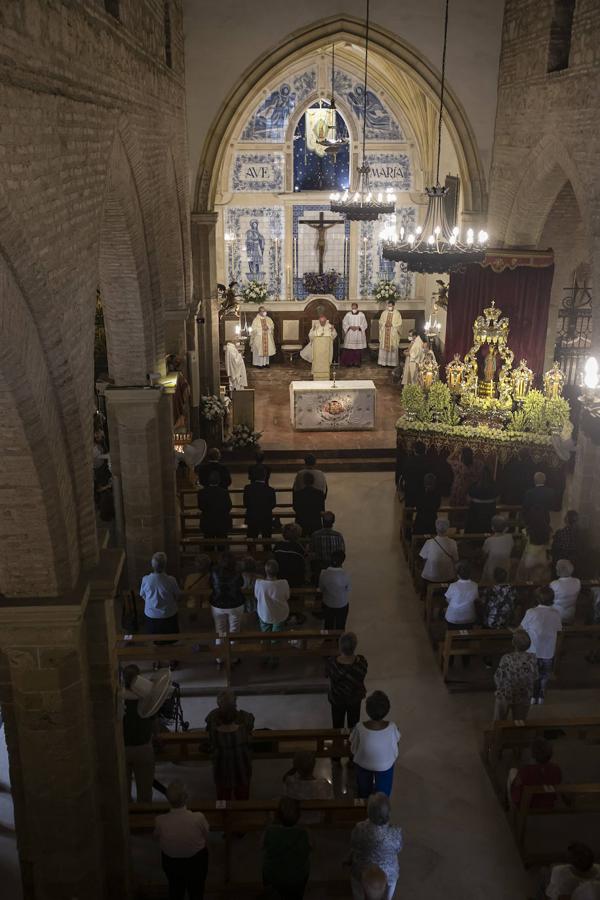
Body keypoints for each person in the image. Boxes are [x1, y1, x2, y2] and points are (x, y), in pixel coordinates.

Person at [154, 780, 209, 900]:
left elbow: (156, 836)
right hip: (196, 862)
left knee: (175, 890)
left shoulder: (160, 820)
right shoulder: (198, 818)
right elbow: (206, 834)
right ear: (186, 797)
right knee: (196, 892)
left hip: (171, 863)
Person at [349, 793, 403, 900]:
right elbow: (398, 848)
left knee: (356, 879)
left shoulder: (360, 829)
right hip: (389, 874)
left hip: (362, 871)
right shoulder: (396, 833)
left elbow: (353, 844)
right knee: (392, 881)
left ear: (368, 812)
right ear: (388, 813)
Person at [350, 691, 400, 798]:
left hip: (363, 764)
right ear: (387, 710)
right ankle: (381, 805)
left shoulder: (359, 727)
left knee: (363, 789)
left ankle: (364, 802)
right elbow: (396, 744)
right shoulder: (392, 727)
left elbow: (353, 748)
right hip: (385, 766)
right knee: (384, 791)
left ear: (367, 710)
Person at [262, 797, 311, 900]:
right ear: (298, 815)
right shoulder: (303, 833)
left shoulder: (270, 831)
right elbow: (311, 848)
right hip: (297, 878)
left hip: (272, 876)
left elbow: (262, 846)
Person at [520, 586, 563, 704]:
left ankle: (533, 696)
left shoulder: (531, 612)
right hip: (548, 651)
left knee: (533, 674)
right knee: (545, 675)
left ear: (537, 599)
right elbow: (559, 630)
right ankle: (541, 696)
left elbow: (521, 628)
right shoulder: (556, 613)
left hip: (532, 649)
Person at [122, 664, 158, 803]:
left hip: (124, 748)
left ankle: (128, 817)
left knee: (123, 789)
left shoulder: (119, 696)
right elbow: (154, 720)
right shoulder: (146, 696)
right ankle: (145, 816)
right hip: (143, 748)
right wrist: (157, 736)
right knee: (145, 789)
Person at [326, 631, 368, 733]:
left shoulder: (332, 663)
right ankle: (352, 743)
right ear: (355, 647)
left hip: (337, 698)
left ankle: (337, 743)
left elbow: (326, 674)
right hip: (355, 699)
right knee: (353, 725)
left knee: (337, 725)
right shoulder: (361, 663)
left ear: (340, 646)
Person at [209, 552, 245, 666]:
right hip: (235, 604)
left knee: (220, 632)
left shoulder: (214, 571)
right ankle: (233, 658)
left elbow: (210, 584)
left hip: (218, 604)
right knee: (234, 631)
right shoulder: (236, 572)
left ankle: (220, 658)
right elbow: (241, 583)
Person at [210, 702, 252, 800]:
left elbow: (210, 746)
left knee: (223, 797)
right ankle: (242, 810)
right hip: (241, 768)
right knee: (242, 795)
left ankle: (223, 812)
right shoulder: (243, 731)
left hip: (222, 770)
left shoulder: (215, 733)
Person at [493, 629, 537, 720]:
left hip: (506, 693)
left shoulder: (507, 657)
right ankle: (517, 733)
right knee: (520, 720)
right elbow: (535, 676)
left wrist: (499, 688)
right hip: (524, 694)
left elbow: (498, 677)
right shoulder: (532, 658)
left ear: (514, 643)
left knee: (499, 719)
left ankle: (497, 732)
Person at [509, 737, 562, 810]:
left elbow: (516, 794)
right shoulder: (556, 769)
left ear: (533, 754)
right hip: (548, 805)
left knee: (512, 771)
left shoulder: (526, 770)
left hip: (527, 806)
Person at [139, 552, 181, 638]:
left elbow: (142, 595)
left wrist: (151, 603)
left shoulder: (146, 579)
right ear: (165, 565)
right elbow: (178, 596)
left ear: (152, 565)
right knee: (170, 639)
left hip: (151, 615)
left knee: (153, 639)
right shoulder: (171, 580)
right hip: (169, 614)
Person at [419, 519, 458, 588]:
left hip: (430, 576)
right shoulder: (453, 542)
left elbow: (423, 558)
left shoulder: (429, 542)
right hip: (448, 576)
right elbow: (456, 559)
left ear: (436, 529)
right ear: (447, 529)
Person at [254, 558, 290, 634]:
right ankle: (275, 644)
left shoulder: (259, 583)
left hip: (264, 612)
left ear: (265, 570)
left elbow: (257, 596)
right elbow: (287, 596)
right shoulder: (284, 583)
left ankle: (266, 644)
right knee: (277, 635)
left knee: (265, 634)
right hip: (280, 612)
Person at [319, 549, 351, 631]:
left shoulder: (323, 573)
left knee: (328, 623)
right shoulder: (346, 574)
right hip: (342, 604)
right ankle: (339, 640)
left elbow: (321, 589)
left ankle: (327, 640)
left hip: (327, 603)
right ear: (342, 561)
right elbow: (348, 590)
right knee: (340, 624)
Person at [243, 465, 276, 539]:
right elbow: (273, 504)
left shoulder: (248, 488)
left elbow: (245, 504)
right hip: (266, 518)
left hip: (252, 517)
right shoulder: (270, 490)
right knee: (267, 540)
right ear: (265, 476)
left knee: (251, 540)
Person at [518, 512, 552, 583]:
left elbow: (523, 546)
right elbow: (549, 546)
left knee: (527, 580)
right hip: (542, 557)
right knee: (538, 579)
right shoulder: (548, 530)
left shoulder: (526, 531)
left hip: (530, 558)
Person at [300, 313, 337, 379]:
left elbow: (334, 335)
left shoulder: (330, 326)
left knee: (326, 360)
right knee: (316, 360)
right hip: (317, 348)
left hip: (326, 348)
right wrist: (313, 330)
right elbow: (310, 335)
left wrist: (333, 330)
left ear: (326, 321)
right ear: (319, 321)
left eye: (324, 322)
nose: (322, 323)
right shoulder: (315, 326)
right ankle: (315, 373)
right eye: (321, 322)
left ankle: (326, 373)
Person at [197, 471, 232, 540]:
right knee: (222, 545)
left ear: (208, 481)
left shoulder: (202, 492)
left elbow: (201, 507)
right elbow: (229, 506)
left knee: (208, 546)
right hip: (222, 522)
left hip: (207, 522)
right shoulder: (224, 492)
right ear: (219, 481)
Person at [311, 510, 346, 578]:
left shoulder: (315, 535)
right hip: (335, 571)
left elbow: (311, 553)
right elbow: (342, 553)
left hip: (319, 571)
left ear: (322, 521)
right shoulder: (338, 536)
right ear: (333, 522)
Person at [465, 466, 499, 533]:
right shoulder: (494, 486)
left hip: (475, 515)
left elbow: (468, 500)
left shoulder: (474, 486)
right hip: (489, 515)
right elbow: (498, 500)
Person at [481, 516, 514, 583]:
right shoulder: (510, 538)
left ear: (492, 528)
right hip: (505, 566)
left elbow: (484, 555)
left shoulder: (489, 540)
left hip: (492, 566)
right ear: (505, 528)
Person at [273, 523, 307, 587]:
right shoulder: (299, 547)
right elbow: (304, 563)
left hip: (279, 577)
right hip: (295, 580)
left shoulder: (278, 545)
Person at [293, 472, 325, 536]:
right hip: (315, 523)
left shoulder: (298, 494)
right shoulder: (319, 493)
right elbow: (322, 509)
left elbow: (295, 508)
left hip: (301, 522)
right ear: (313, 481)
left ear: (304, 481)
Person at [398, 440, 429, 506]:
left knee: (409, 508)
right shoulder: (428, 461)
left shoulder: (409, 460)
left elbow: (404, 474)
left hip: (410, 489)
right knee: (421, 509)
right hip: (422, 489)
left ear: (414, 450)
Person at [550, 558, 581, 624]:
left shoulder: (554, 583)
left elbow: (549, 599)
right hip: (571, 614)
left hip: (556, 614)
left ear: (559, 569)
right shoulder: (577, 581)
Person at [378, 301, 402, 367]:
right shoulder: (384, 313)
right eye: (388, 306)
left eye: (391, 306)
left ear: (394, 306)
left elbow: (399, 323)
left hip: (393, 333)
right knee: (384, 347)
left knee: (392, 346)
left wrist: (392, 324)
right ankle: (383, 362)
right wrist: (384, 324)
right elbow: (380, 322)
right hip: (384, 332)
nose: (389, 307)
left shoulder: (397, 314)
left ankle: (392, 363)